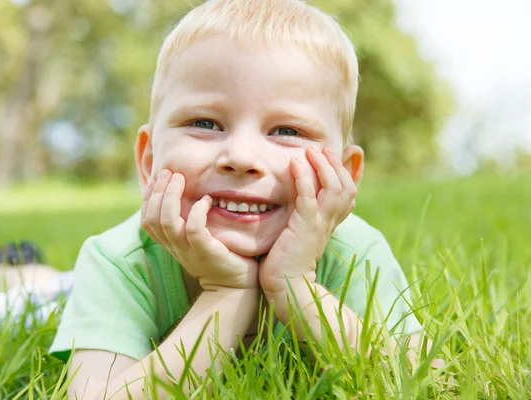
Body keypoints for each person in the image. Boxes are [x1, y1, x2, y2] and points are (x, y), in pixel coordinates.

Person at [49, 0, 442, 397]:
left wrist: (295, 284)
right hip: (80, 288)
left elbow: (424, 382)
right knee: (36, 297)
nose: (240, 157)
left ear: (345, 176)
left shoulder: (353, 250)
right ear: (149, 162)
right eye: (205, 123)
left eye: (287, 130)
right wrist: (227, 292)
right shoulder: (118, 260)